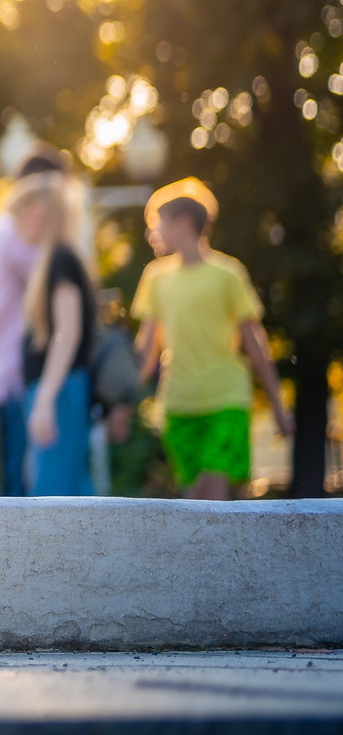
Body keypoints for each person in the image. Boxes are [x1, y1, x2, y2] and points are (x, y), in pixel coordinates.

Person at [133, 182, 291, 500]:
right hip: (179, 404)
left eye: (158, 224)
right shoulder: (156, 278)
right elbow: (147, 347)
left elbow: (255, 342)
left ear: (184, 224)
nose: (153, 233)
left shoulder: (228, 274)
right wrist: (124, 402)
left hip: (226, 399)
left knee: (213, 496)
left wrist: (278, 404)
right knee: (192, 500)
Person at [0, 148, 69, 495]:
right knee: (26, 493)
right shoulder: (17, 233)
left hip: (4, 373)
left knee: (17, 485)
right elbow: (55, 287)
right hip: (19, 375)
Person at [6, 170, 97, 496]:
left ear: (39, 210)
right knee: (66, 492)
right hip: (58, 390)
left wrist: (44, 400)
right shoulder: (54, 259)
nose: (15, 224)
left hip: (60, 392)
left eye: (19, 213)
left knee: (56, 498)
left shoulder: (61, 258)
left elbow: (68, 332)